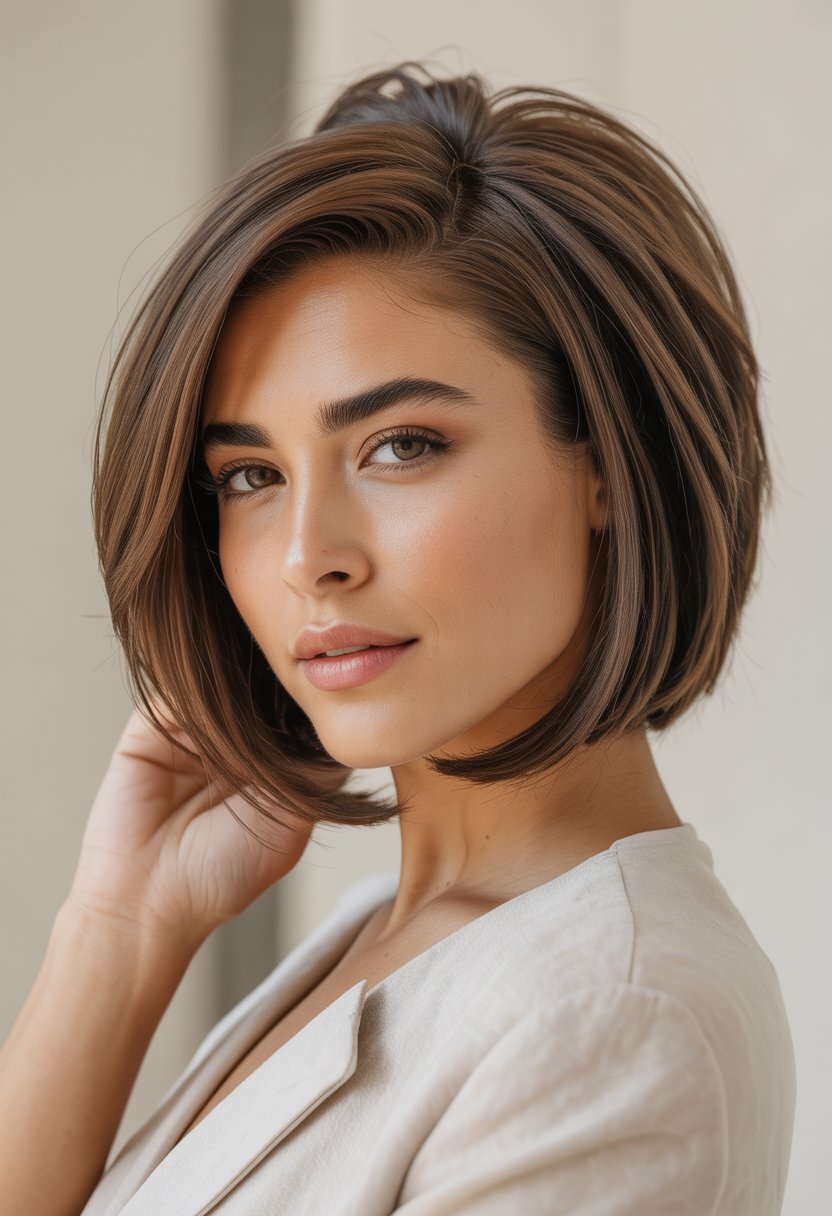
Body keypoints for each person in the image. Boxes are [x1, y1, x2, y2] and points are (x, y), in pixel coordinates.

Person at [0, 61, 796, 1215]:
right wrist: (118, 933)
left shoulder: (615, 1012)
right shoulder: (380, 935)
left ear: (606, 464)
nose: (305, 555)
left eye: (401, 446)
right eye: (249, 474)